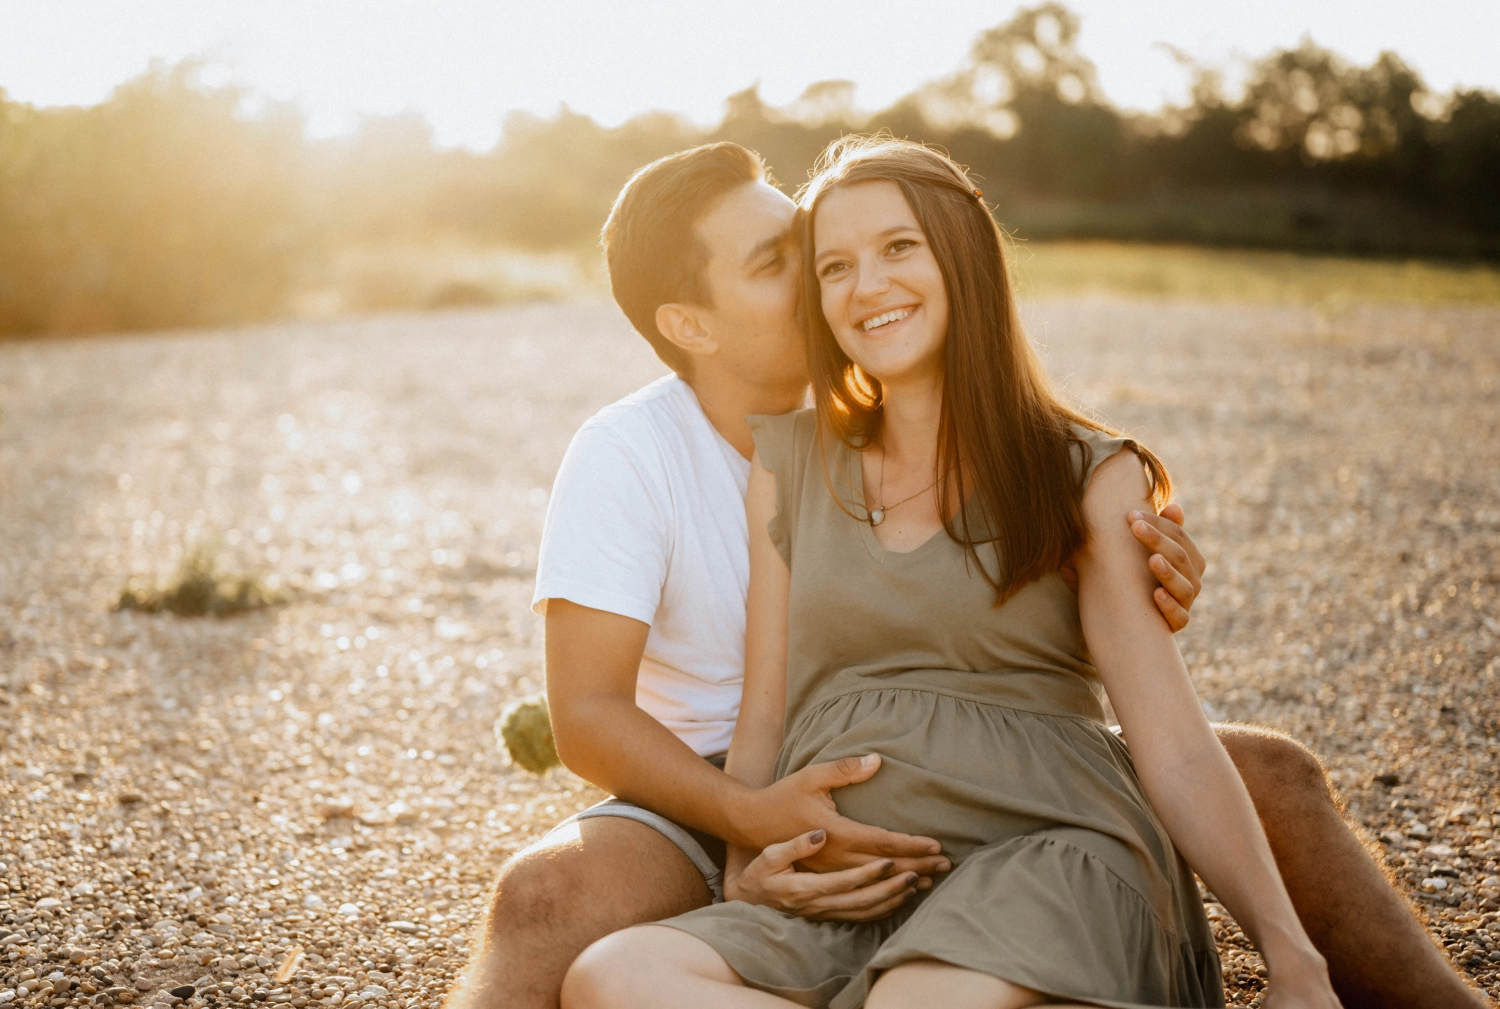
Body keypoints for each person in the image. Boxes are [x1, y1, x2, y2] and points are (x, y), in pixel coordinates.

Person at [445, 141, 1487, 1009]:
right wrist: (749, 840)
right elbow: (591, 712)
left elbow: (1141, 699)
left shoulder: (1052, 461)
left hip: (1018, 766)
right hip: (744, 780)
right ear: (692, 322)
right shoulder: (668, 455)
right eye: (796, 261)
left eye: (850, 252)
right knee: (556, 913)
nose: (835, 281)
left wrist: (1127, 574)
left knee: (1278, 779)